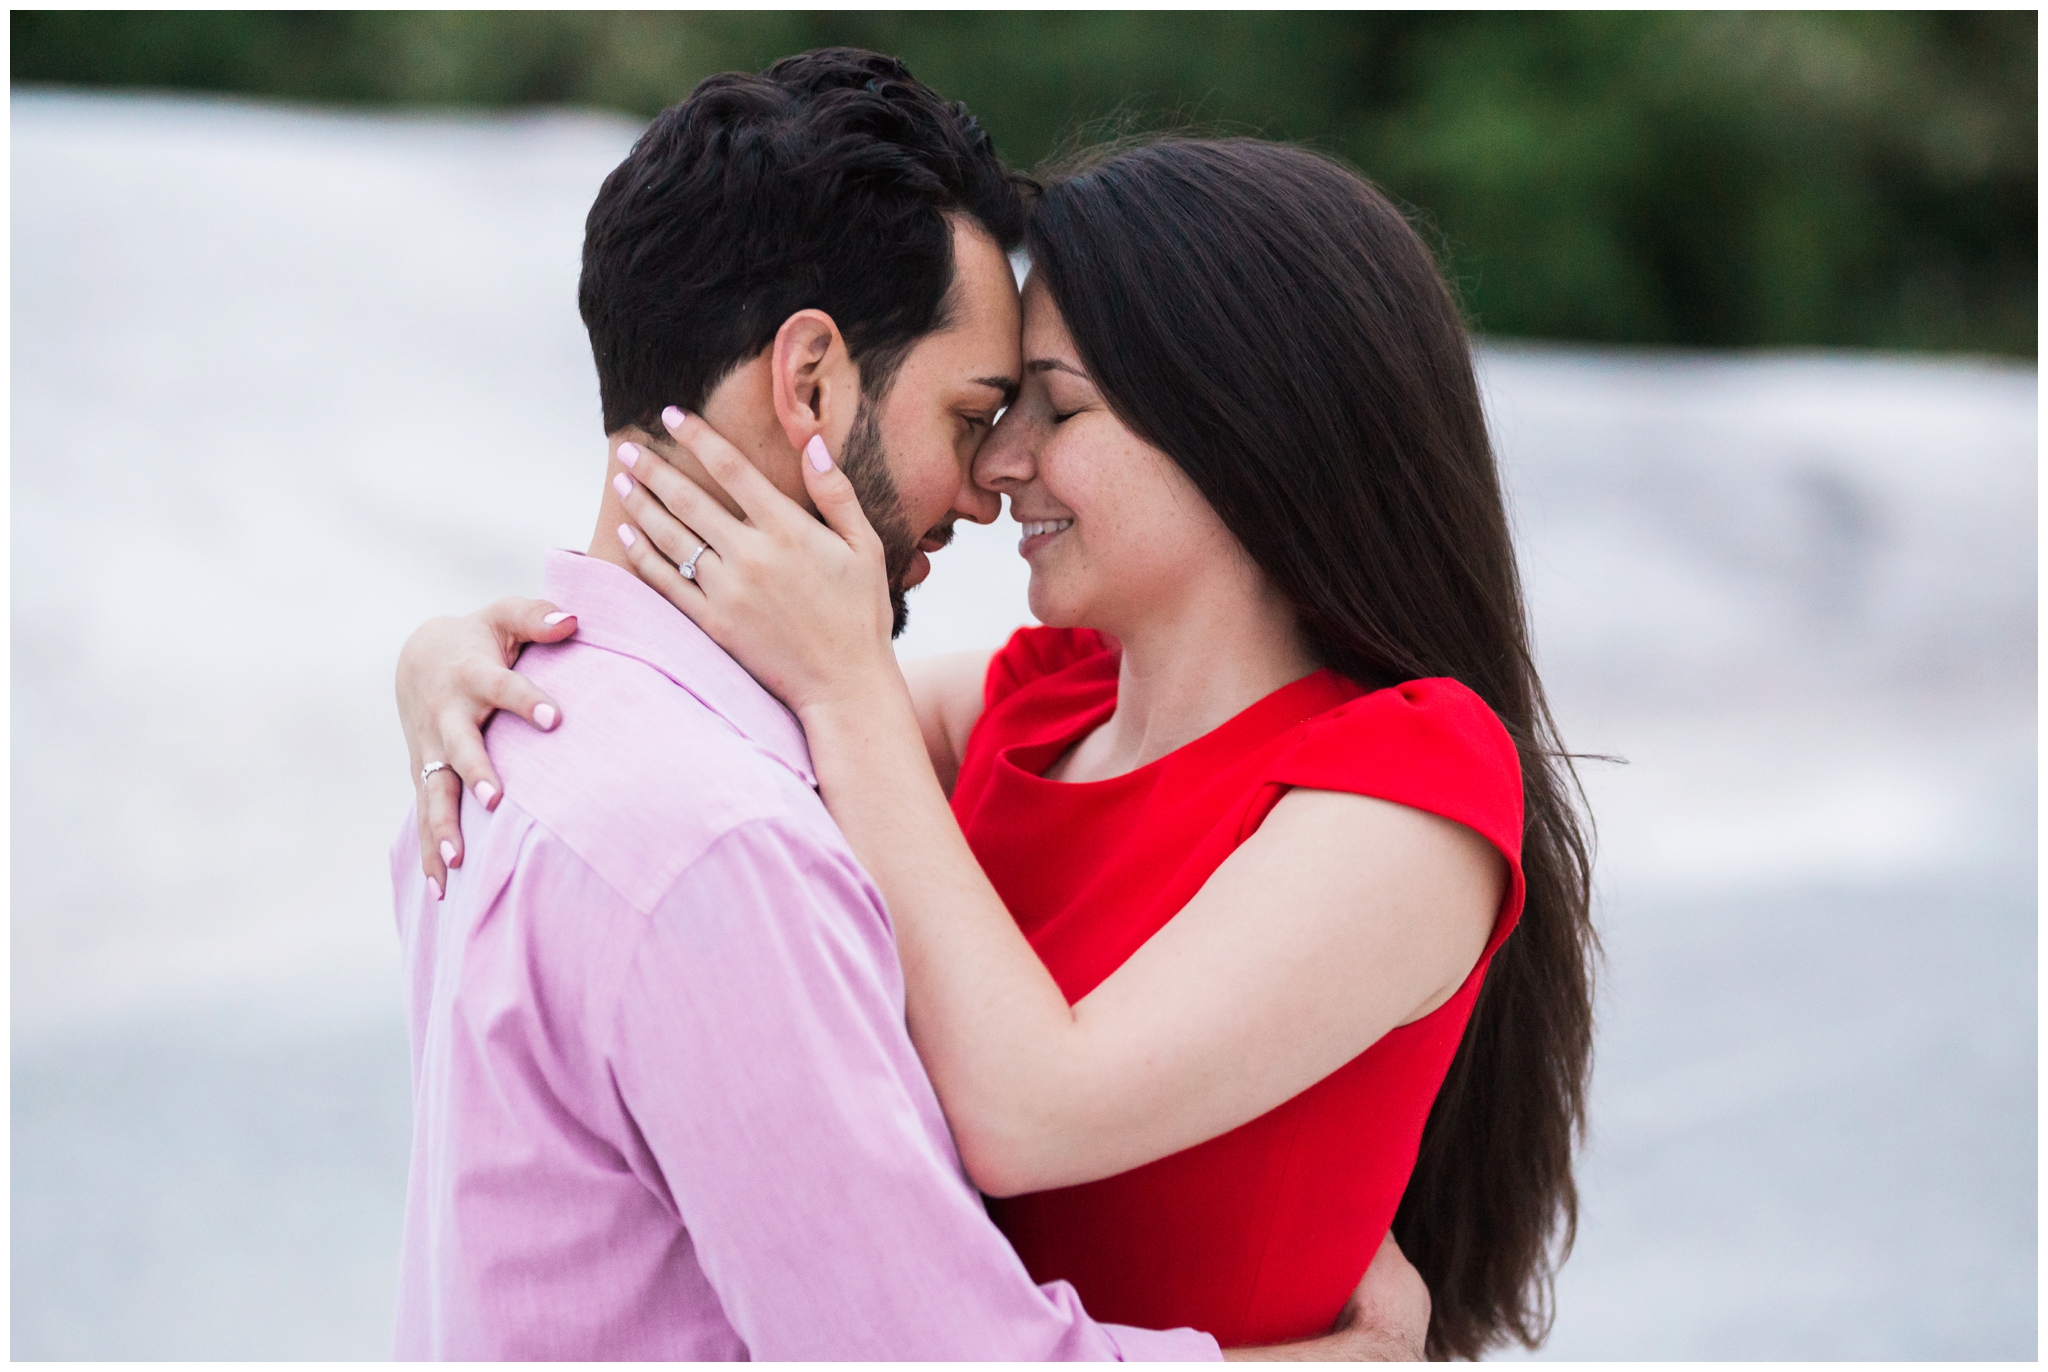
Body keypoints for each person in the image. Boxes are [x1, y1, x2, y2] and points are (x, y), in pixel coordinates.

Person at [410, 129, 1598, 1359]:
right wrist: (455, 655)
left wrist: (846, 675)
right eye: (994, 405)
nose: (998, 462)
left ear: (1250, 422)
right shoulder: (1039, 703)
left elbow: (1029, 1111)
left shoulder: (1412, 790)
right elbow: (720, 732)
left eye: (1055, 408)